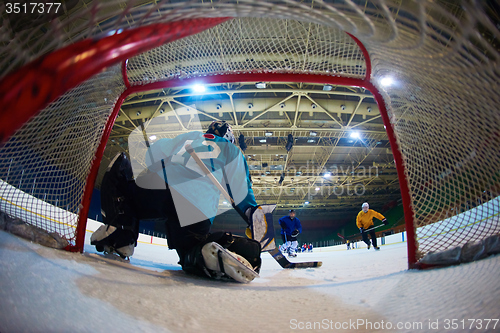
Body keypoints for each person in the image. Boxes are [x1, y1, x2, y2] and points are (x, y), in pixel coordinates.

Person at [91, 120, 264, 282]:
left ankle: (121, 237)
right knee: (190, 249)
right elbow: (241, 190)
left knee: (126, 195)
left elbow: (154, 153)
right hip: (198, 206)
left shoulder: (191, 137)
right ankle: (202, 253)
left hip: (162, 188)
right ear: (230, 138)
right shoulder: (232, 151)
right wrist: (251, 213)